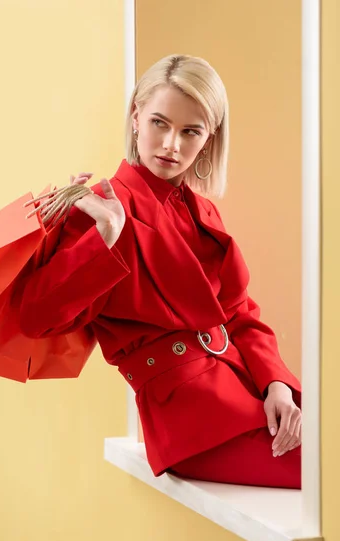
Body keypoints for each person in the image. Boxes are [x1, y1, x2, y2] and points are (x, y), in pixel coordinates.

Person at [18, 54, 302, 489]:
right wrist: (107, 235)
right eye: (159, 123)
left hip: (244, 389)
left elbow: (240, 313)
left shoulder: (201, 210)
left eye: (190, 131)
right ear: (136, 118)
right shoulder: (99, 209)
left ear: (208, 140)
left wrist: (276, 384)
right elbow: (37, 317)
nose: (171, 144)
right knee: (327, 476)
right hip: (190, 419)